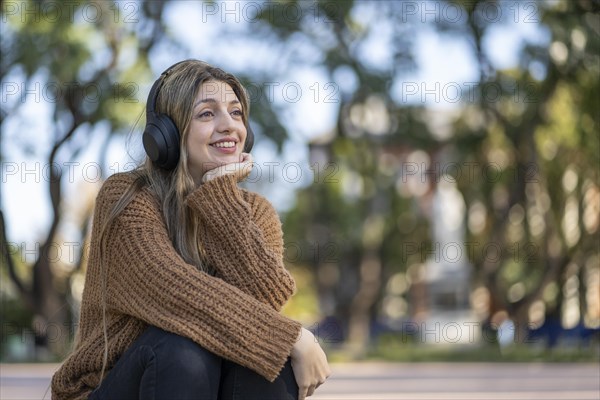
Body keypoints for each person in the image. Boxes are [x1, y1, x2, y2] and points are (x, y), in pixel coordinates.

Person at [51, 59, 330, 400]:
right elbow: (170, 289)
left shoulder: (256, 212)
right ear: (166, 134)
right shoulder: (127, 197)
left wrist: (221, 203)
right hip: (111, 385)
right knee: (182, 348)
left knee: (268, 361)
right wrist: (295, 336)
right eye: (207, 114)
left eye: (236, 113)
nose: (229, 126)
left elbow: (266, 302)